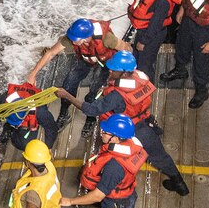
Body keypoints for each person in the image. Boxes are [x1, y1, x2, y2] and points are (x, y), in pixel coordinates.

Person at [57, 50, 190, 195]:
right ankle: (180, 184)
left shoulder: (116, 96)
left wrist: (67, 96)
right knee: (160, 155)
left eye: (114, 70)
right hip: (144, 124)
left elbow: (91, 110)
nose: (110, 71)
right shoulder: (140, 76)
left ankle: (106, 187)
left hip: (123, 131)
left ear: (125, 73)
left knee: (110, 160)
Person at [24, 18, 127, 133]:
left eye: (75, 40)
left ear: (86, 37)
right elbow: (50, 53)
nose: (72, 42)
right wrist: (33, 73)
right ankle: (64, 114)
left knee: (93, 92)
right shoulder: (73, 37)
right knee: (68, 84)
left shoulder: (107, 38)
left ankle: (90, 118)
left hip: (105, 63)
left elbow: (126, 48)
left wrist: (121, 73)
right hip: (85, 59)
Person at [127, 0, 185, 82]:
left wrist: (144, 41)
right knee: (138, 59)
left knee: (145, 64)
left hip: (151, 34)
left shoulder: (163, 0)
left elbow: (156, 24)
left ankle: (147, 88)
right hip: (146, 29)